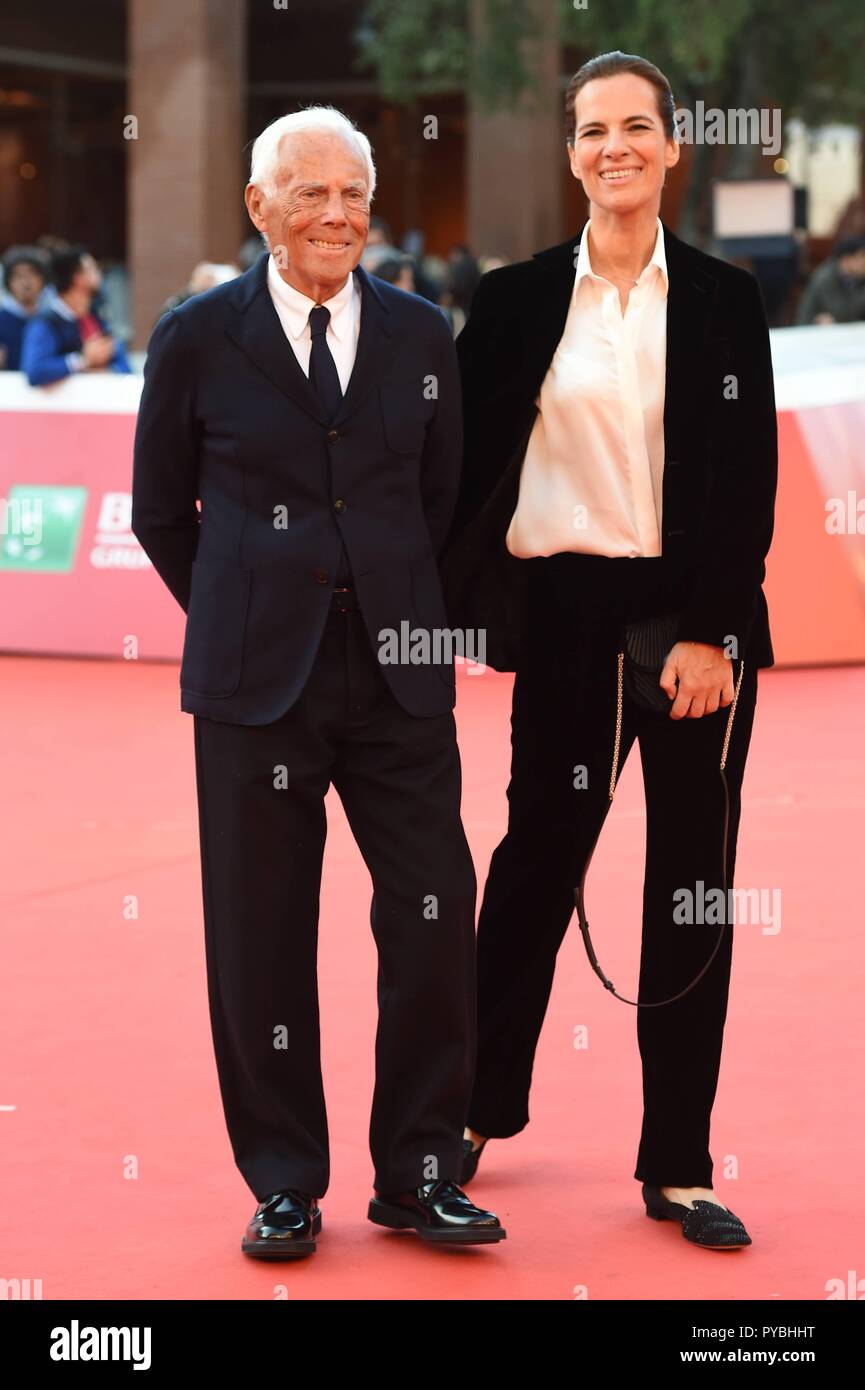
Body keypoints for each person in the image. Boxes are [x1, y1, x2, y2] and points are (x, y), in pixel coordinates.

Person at [131, 106, 506, 1259]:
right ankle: (285, 1178)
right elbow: (160, 514)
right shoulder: (197, 335)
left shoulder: (420, 331)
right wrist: (247, 616)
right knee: (261, 935)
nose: (337, 213)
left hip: (398, 677)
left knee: (435, 917)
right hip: (256, 688)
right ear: (259, 207)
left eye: (353, 192)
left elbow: (440, 503)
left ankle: (421, 1173)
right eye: (310, 192)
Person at [442, 51, 778, 1250]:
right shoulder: (518, 296)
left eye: (637, 127)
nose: (614, 147)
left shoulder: (727, 298)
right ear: (570, 149)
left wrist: (712, 633)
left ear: (672, 147)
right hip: (570, 618)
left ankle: (678, 1160)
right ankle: (471, 1116)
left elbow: (746, 486)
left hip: (691, 626)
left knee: (690, 888)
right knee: (534, 862)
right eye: (593, 129)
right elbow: (464, 474)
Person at [21, 247, 131, 386]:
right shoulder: (46, 323)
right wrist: (82, 360)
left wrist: (109, 372)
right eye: (92, 268)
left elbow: (124, 366)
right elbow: (35, 371)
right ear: (79, 279)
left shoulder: (97, 318)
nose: (99, 272)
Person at [795, 235, 865, 325]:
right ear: (846, 259)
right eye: (862, 256)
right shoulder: (823, 279)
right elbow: (803, 316)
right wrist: (816, 321)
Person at [0, 246, 48, 370]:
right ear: (8, 282)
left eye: (32, 274)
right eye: (18, 276)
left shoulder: (53, 319)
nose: (26, 282)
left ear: (42, 279)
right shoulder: (2, 320)